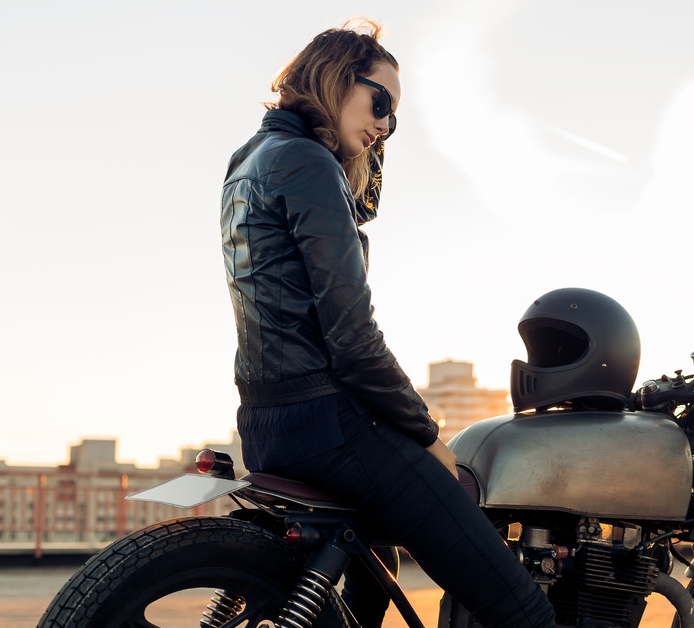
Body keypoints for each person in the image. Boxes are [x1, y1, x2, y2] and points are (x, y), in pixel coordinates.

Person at [220, 19, 556, 628]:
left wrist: (366, 151)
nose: (384, 125)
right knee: (522, 607)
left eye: (394, 119)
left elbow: (355, 220)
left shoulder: (250, 159)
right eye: (380, 102)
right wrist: (430, 436)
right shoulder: (306, 162)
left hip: (265, 420)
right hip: (326, 422)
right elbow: (353, 340)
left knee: (380, 558)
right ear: (334, 78)